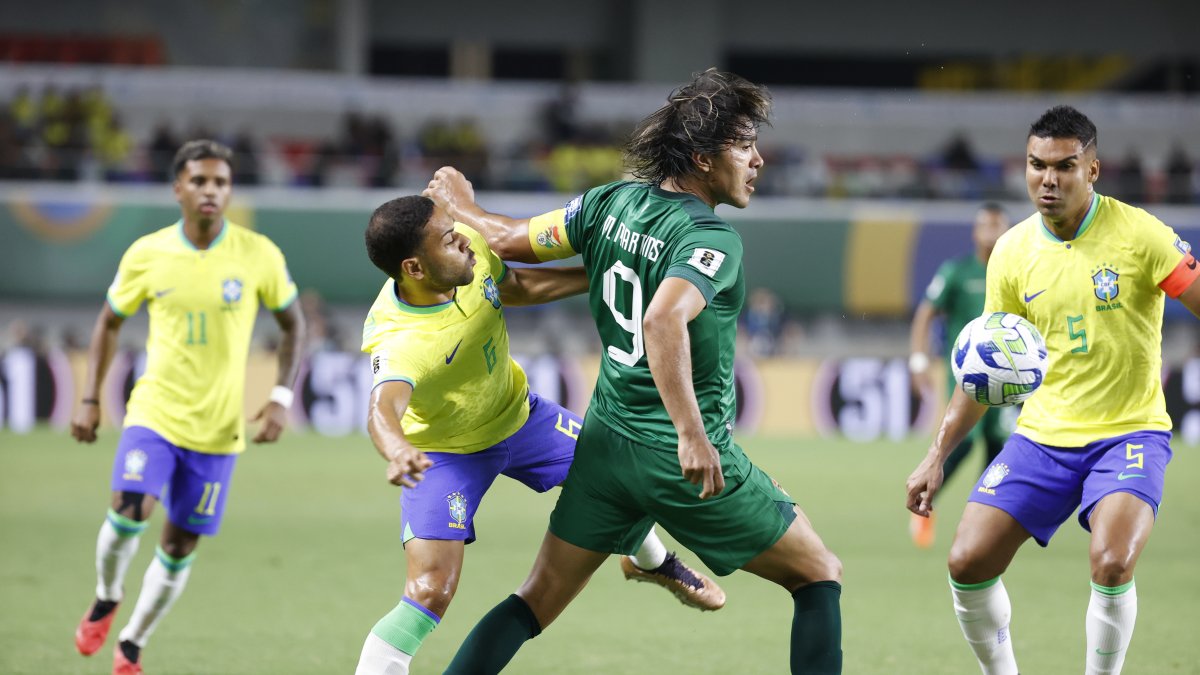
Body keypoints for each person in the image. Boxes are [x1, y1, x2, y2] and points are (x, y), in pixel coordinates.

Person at [425, 68, 843, 674]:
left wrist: (461, 205)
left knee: (535, 599)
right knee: (818, 573)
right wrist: (692, 435)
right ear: (703, 158)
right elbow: (662, 320)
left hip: (604, 446)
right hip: (675, 459)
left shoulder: (608, 204)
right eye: (745, 147)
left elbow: (510, 240)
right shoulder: (710, 238)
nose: (758, 161)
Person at [353, 195, 724, 675]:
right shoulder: (400, 340)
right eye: (447, 238)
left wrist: (600, 273)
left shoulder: (468, 253)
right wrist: (398, 449)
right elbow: (382, 409)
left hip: (522, 418)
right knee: (430, 591)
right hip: (446, 455)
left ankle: (650, 561)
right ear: (414, 268)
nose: (463, 239)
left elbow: (517, 285)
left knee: (626, 470)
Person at [906, 105, 1200, 675]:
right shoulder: (1012, 252)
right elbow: (985, 370)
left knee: (1111, 562)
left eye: (1064, 166)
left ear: (1093, 170)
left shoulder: (1141, 234)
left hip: (1129, 434)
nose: (1048, 179)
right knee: (967, 560)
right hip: (1041, 437)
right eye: (1036, 165)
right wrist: (936, 454)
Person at [70, 139, 305, 675]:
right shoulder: (147, 253)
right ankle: (107, 595)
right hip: (155, 412)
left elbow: (295, 325)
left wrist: (280, 397)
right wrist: (88, 397)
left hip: (218, 429)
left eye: (221, 182)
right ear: (178, 188)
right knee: (129, 510)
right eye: (199, 180)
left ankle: (132, 641)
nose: (210, 190)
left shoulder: (259, 254)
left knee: (178, 547)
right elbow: (109, 321)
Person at [907, 203, 1012, 548]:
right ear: (975, 231)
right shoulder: (957, 272)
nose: (991, 232)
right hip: (966, 376)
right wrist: (919, 360)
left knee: (1000, 447)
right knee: (963, 441)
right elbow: (926, 312)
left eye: (997, 225)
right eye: (986, 225)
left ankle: (985, 518)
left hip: (1007, 378)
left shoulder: (1016, 271)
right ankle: (925, 501)